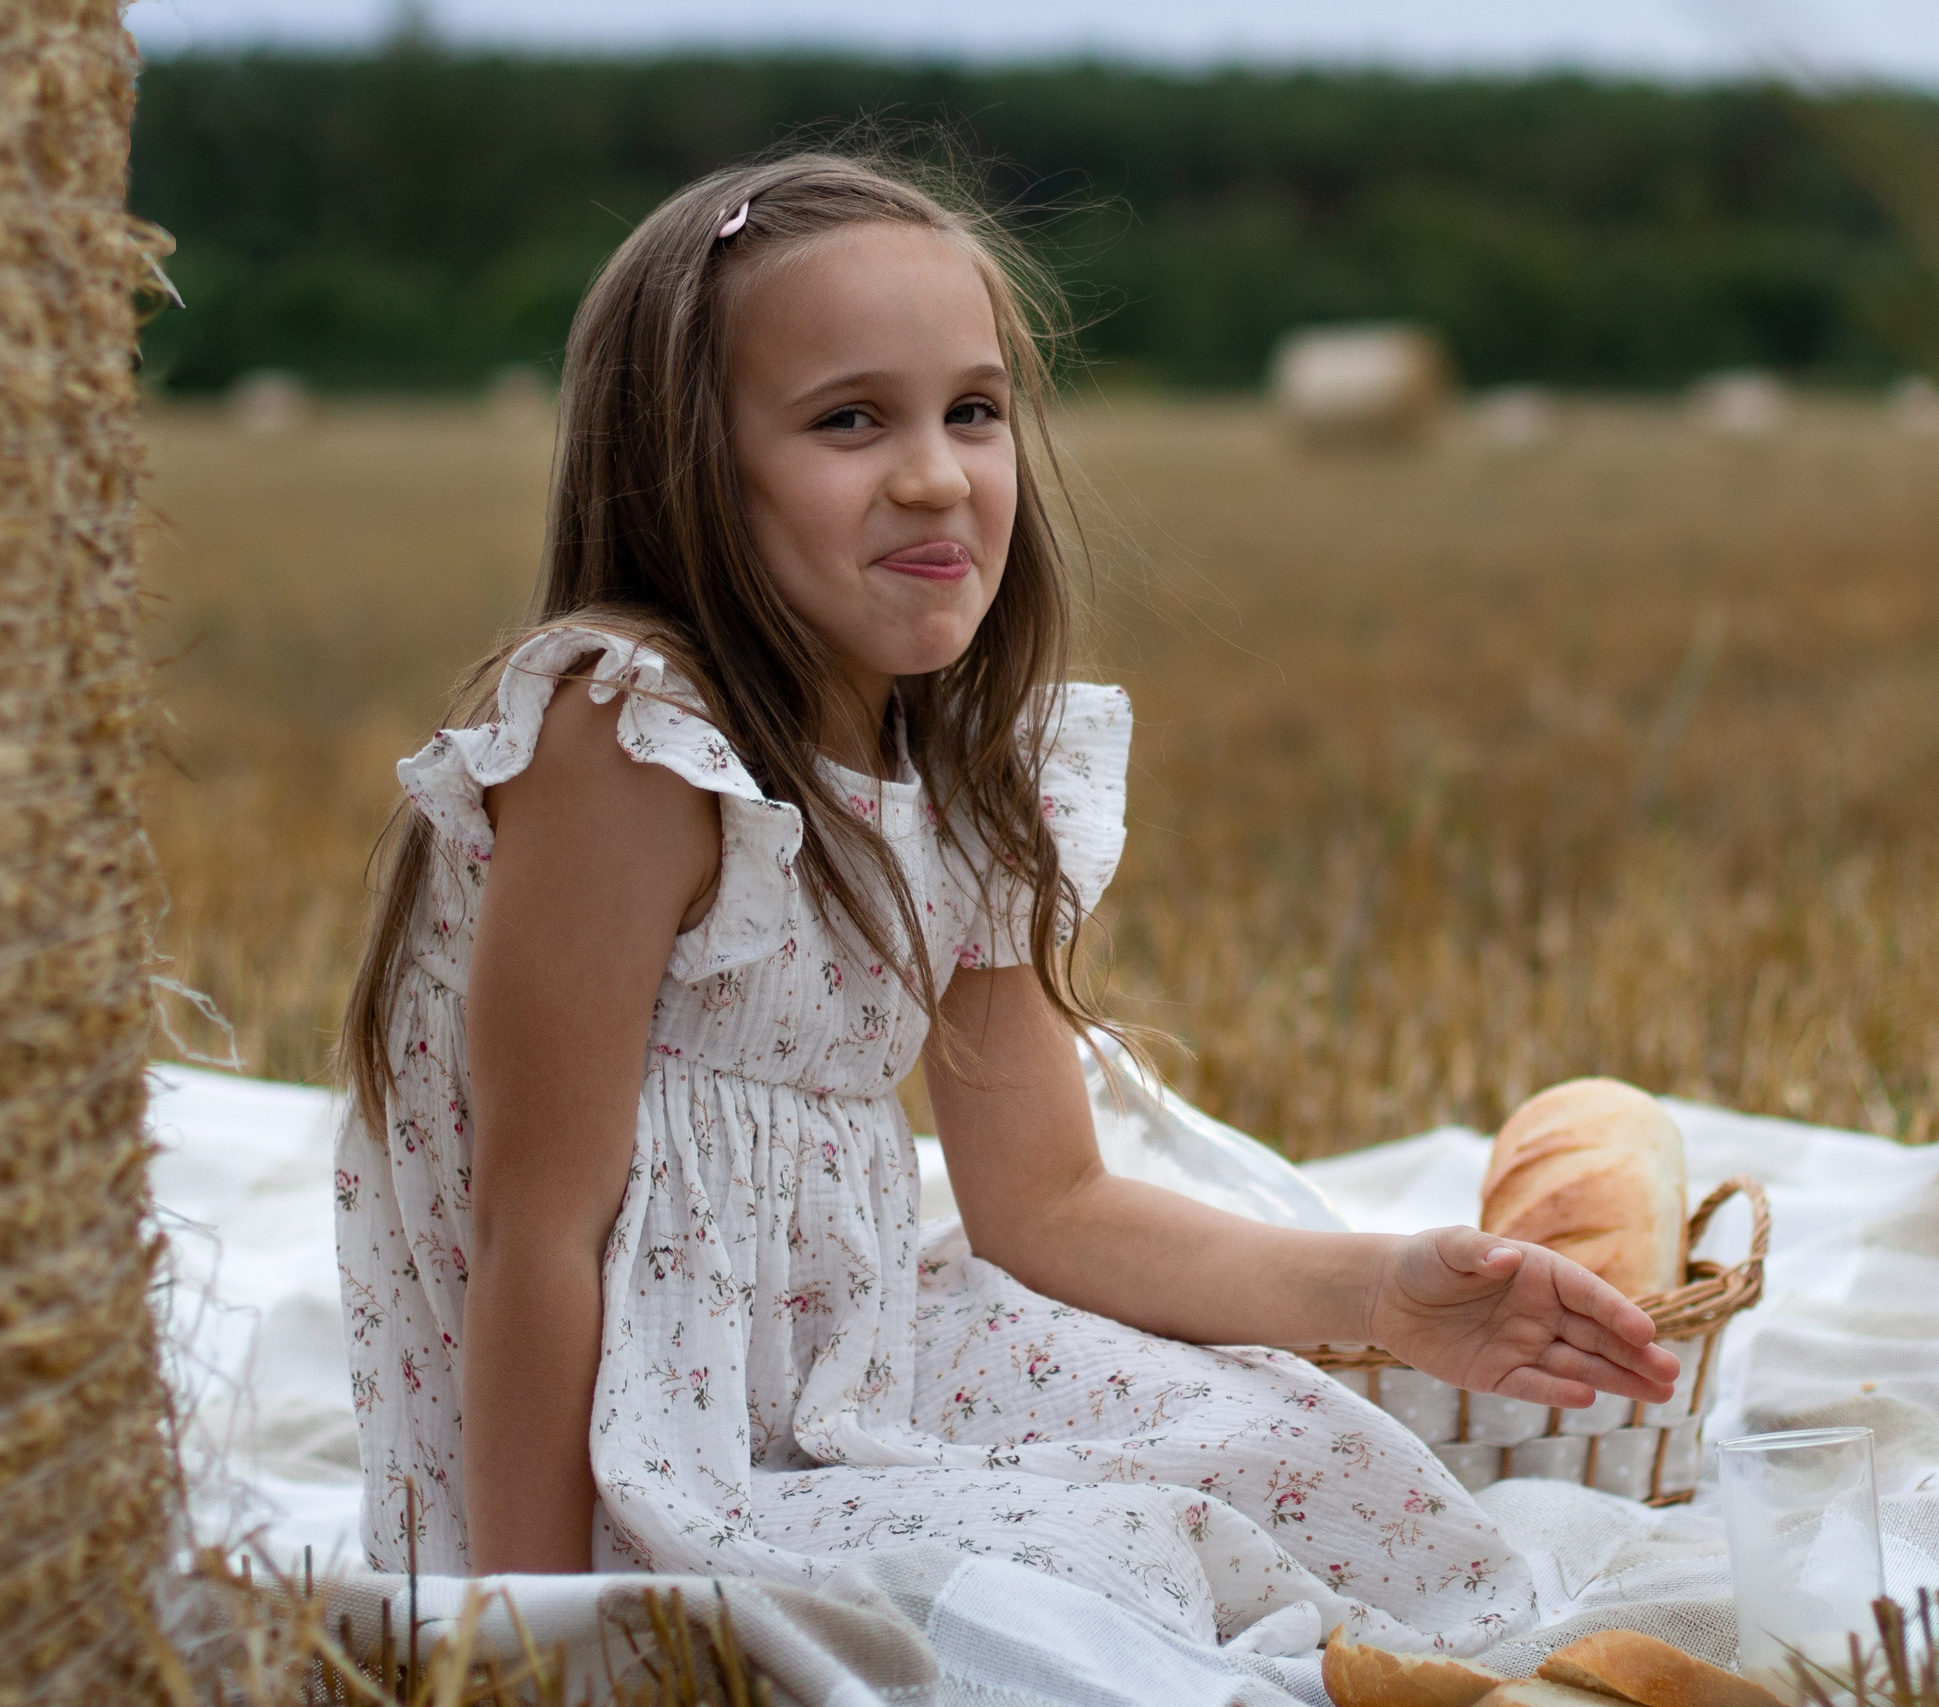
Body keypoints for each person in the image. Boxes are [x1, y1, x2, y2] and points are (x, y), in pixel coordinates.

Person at [331, 151, 1675, 1654]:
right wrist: (529, 1631)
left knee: (1297, 1449)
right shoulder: (635, 742)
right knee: (1110, 1564)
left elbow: (1047, 1202)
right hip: (640, 1445)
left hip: (856, 1364)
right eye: (851, 419)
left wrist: (1386, 1293)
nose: (935, 472)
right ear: (685, 465)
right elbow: (535, 1229)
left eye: (972, 410)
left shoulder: (968, 773)